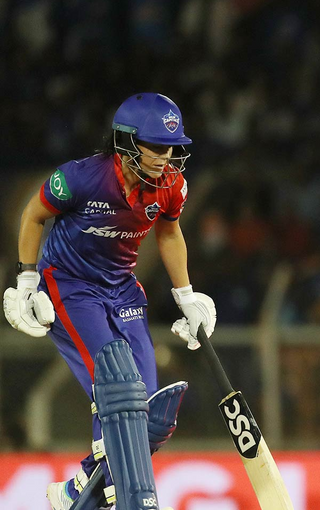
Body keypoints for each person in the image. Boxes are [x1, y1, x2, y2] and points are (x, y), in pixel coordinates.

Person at [3, 93, 217, 510]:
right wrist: (26, 281)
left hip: (122, 288)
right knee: (120, 393)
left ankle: (79, 488)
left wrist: (186, 296)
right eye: (155, 146)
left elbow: (169, 232)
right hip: (70, 286)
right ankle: (119, 492)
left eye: (171, 148)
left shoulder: (172, 186)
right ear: (126, 141)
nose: (165, 157)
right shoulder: (80, 178)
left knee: (149, 416)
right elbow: (33, 215)